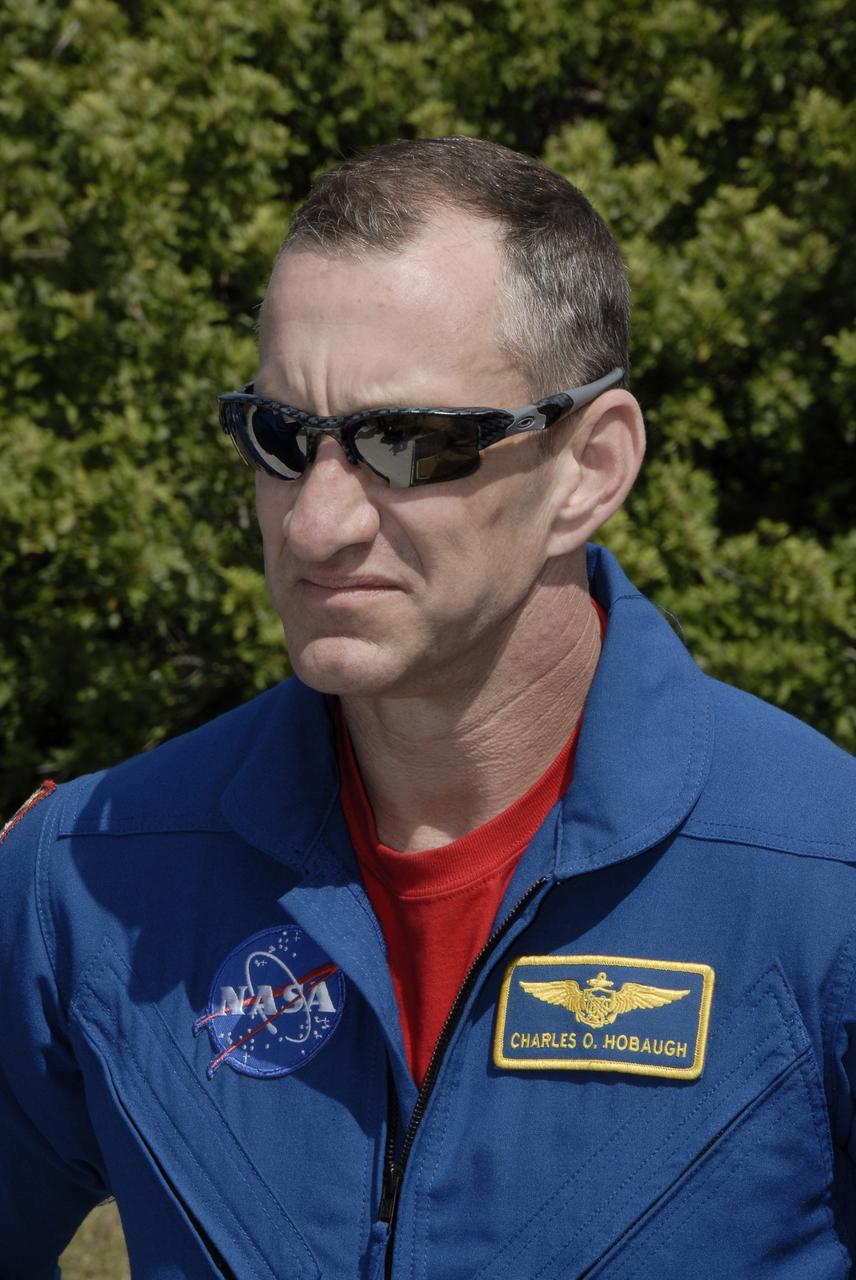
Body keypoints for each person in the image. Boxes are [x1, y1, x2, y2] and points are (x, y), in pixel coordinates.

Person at [1, 136, 855, 1280]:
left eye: (406, 444)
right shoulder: (90, 875)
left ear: (590, 469)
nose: (314, 525)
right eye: (280, 438)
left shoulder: (820, 883)